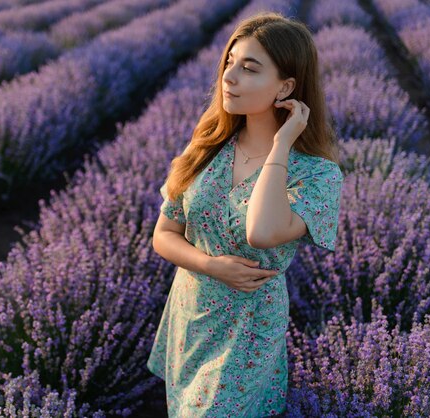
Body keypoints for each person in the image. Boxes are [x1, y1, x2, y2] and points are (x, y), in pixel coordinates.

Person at [147, 11, 344, 417]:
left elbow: (262, 231)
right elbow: (164, 233)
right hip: (192, 313)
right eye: (229, 64)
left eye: (249, 68)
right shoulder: (205, 147)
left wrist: (281, 146)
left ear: (286, 86)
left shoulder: (318, 174)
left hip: (248, 327)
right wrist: (210, 264)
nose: (229, 77)